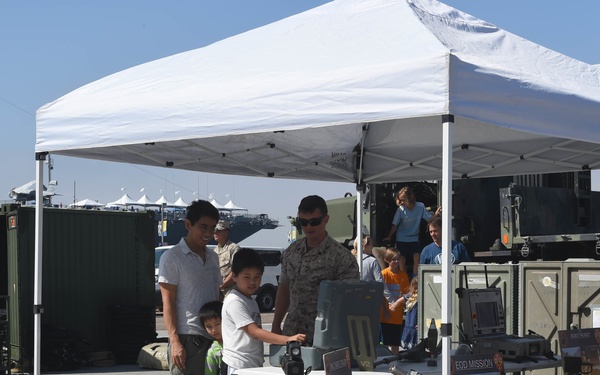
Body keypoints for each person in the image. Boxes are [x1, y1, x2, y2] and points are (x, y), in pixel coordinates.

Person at [272, 195, 359, 345]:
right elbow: (284, 288)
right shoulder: (291, 252)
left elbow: (350, 303)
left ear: (326, 220)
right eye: (303, 222)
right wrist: (275, 324)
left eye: (314, 222)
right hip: (292, 333)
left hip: (324, 337)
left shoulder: (341, 258)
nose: (309, 227)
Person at [158, 200, 221, 375]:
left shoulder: (213, 258)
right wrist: (175, 341)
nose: (208, 233)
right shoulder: (172, 258)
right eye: (203, 227)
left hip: (214, 338)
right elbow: (167, 302)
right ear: (188, 224)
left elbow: (218, 296)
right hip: (188, 339)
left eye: (212, 228)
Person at [222, 248, 306, 373]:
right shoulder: (235, 301)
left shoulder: (250, 300)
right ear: (234, 276)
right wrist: (288, 339)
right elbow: (254, 332)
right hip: (237, 366)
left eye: (257, 276)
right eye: (247, 277)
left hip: (251, 365)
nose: (252, 282)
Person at [382, 186, 441, 276]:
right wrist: (390, 236)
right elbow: (395, 224)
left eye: (403, 200)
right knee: (402, 259)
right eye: (400, 200)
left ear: (410, 198)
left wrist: (436, 213)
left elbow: (429, 219)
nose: (401, 203)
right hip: (401, 237)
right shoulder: (400, 210)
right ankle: (404, 277)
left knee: (416, 257)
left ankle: (415, 277)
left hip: (414, 237)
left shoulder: (420, 206)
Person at [380, 247, 410, 355]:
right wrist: (386, 311)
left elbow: (407, 294)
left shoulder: (403, 275)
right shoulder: (383, 274)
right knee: (384, 344)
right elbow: (380, 295)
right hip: (384, 317)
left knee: (395, 344)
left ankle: (395, 363)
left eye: (398, 259)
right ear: (387, 260)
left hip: (397, 317)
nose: (396, 261)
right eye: (393, 259)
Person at [213, 220, 241, 295]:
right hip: (217, 292)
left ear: (226, 232)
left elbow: (236, 271)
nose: (215, 233)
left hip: (230, 291)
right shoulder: (214, 251)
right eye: (214, 230)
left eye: (218, 231)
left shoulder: (234, 248)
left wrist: (222, 286)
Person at [199, 301, 224, 375]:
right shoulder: (212, 351)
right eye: (209, 327)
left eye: (217, 324)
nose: (214, 330)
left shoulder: (238, 342)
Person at [401, 277, 419, 350]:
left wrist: (393, 306)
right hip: (412, 325)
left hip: (411, 326)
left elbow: (399, 301)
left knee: (411, 347)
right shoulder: (410, 295)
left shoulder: (410, 295)